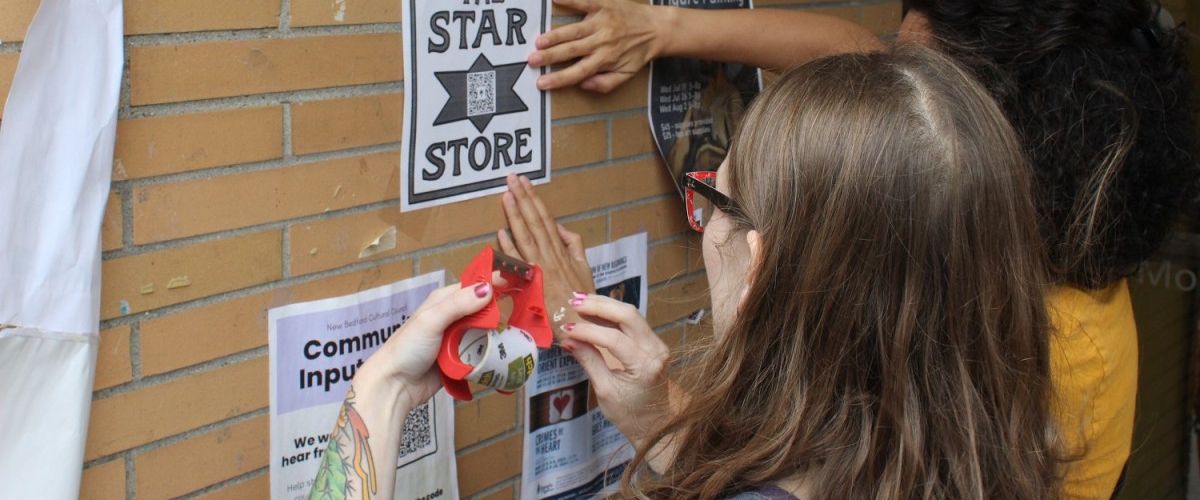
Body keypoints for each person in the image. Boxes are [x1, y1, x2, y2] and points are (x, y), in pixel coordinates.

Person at [526, 0, 1199, 498]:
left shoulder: (1039, 346)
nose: (884, 84)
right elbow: (850, 53)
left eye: (723, 206)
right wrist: (663, 28)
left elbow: (815, 470)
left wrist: (665, 412)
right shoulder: (977, 240)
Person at [312, 46, 1061, 500]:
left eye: (713, 196)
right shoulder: (989, 461)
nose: (701, 216)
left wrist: (382, 391)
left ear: (760, 264)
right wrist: (657, 415)